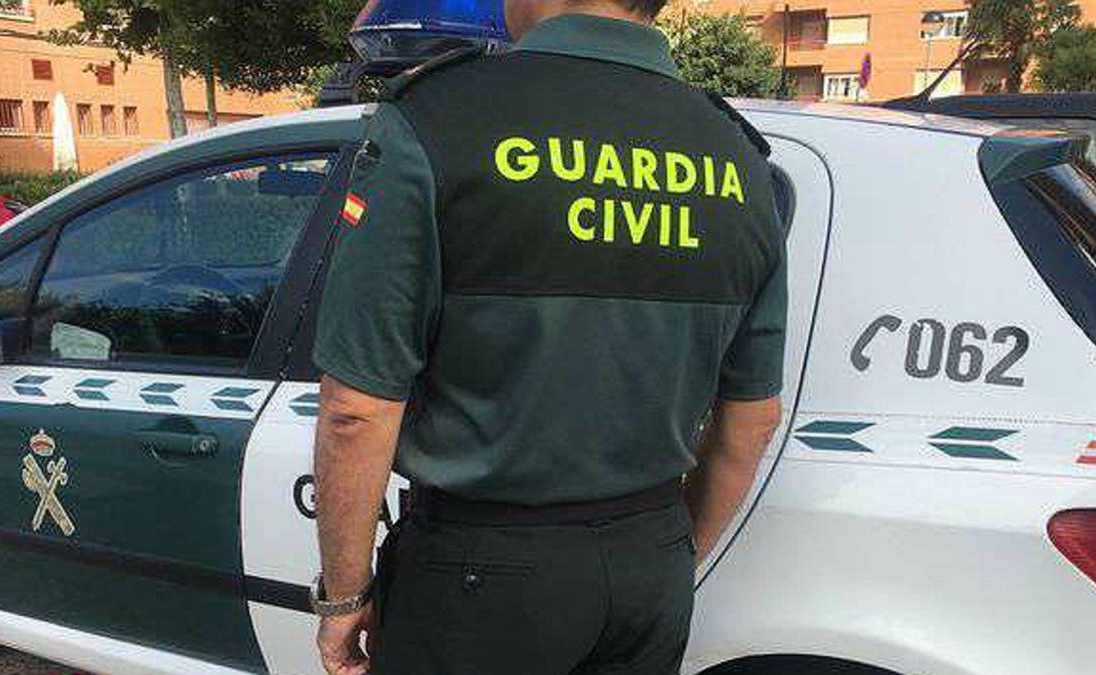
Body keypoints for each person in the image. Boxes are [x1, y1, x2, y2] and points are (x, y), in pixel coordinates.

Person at [311, 0, 787, 673]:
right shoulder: (737, 155)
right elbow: (754, 420)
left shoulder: (441, 116)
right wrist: (667, 557)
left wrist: (343, 596)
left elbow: (356, 408)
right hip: (649, 565)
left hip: (479, 576)